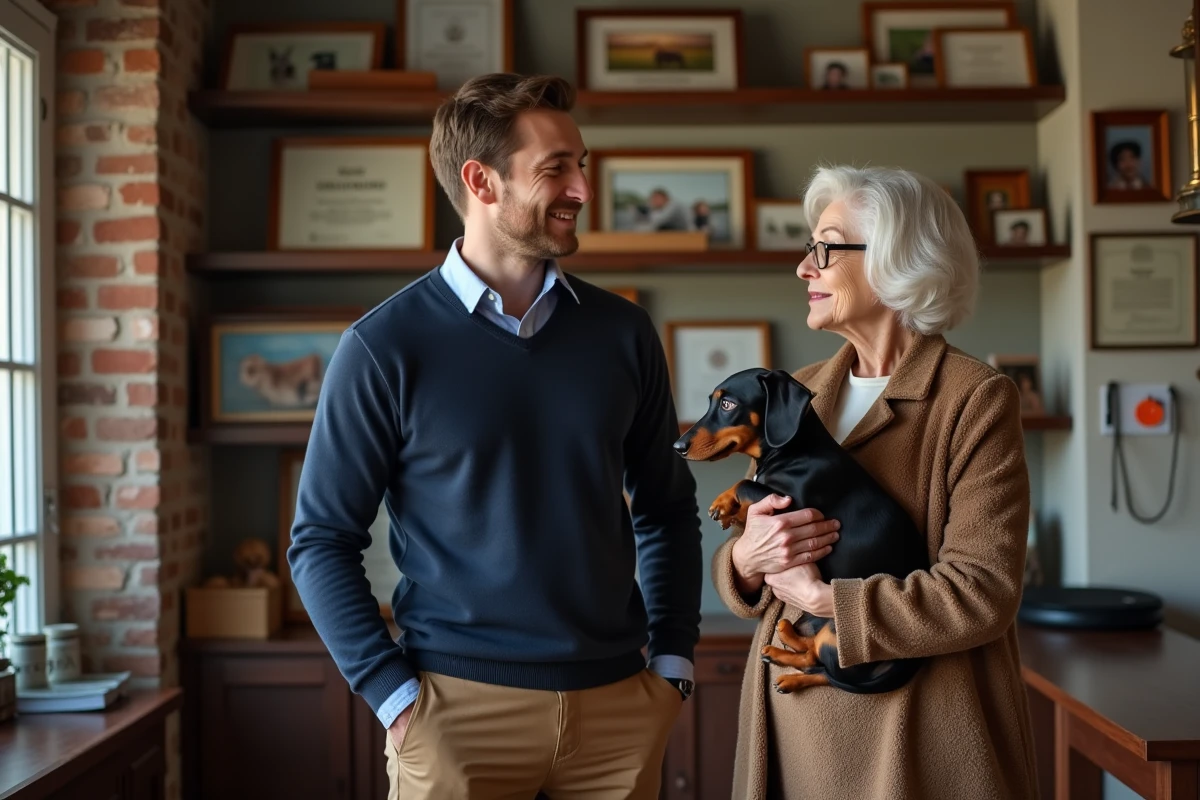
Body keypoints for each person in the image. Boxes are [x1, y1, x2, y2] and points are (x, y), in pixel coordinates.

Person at [288, 72, 703, 799]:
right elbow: (320, 540)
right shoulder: (383, 346)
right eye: (556, 169)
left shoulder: (624, 333)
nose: (582, 189)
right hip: (454, 716)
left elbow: (667, 510)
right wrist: (394, 698)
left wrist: (672, 665)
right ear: (481, 181)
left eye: (581, 165)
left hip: (618, 710)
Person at [712, 164, 1039, 799]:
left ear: (897, 259)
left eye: (826, 249)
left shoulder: (975, 399)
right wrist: (746, 563)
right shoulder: (797, 392)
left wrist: (825, 600)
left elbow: (983, 592)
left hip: (914, 737)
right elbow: (756, 543)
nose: (803, 268)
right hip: (791, 728)